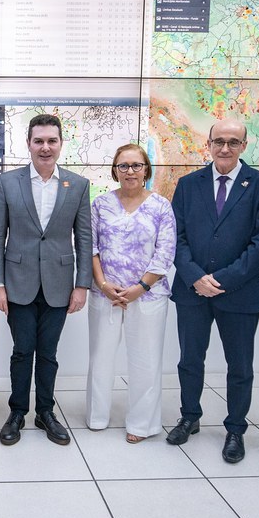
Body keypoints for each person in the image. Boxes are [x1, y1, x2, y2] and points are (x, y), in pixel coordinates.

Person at [168, 117, 259, 463]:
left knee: (240, 366)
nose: (225, 148)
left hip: (239, 293)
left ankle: (235, 429)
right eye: (219, 142)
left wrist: (223, 280)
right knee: (190, 360)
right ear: (209, 144)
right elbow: (175, 237)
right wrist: (195, 277)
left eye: (233, 142)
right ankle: (190, 416)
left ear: (244, 145)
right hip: (192, 291)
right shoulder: (188, 185)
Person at [0, 113, 93, 446]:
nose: (45, 147)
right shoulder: (8, 182)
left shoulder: (78, 185)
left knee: (48, 353)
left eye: (51, 141)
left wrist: (82, 285)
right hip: (17, 282)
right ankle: (17, 412)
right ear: (28, 144)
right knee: (22, 352)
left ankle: (45, 412)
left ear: (61, 144)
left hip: (59, 284)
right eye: (39, 141)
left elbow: (84, 238)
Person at [87, 144, 176, 443]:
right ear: (115, 171)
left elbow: (165, 253)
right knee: (100, 359)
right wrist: (103, 285)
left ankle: (141, 424)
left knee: (145, 361)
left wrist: (140, 288)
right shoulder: (100, 204)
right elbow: (91, 248)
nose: (130, 171)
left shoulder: (161, 206)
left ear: (146, 169)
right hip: (105, 294)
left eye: (136, 165)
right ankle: (97, 416)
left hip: (148, 296)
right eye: (123, 166)